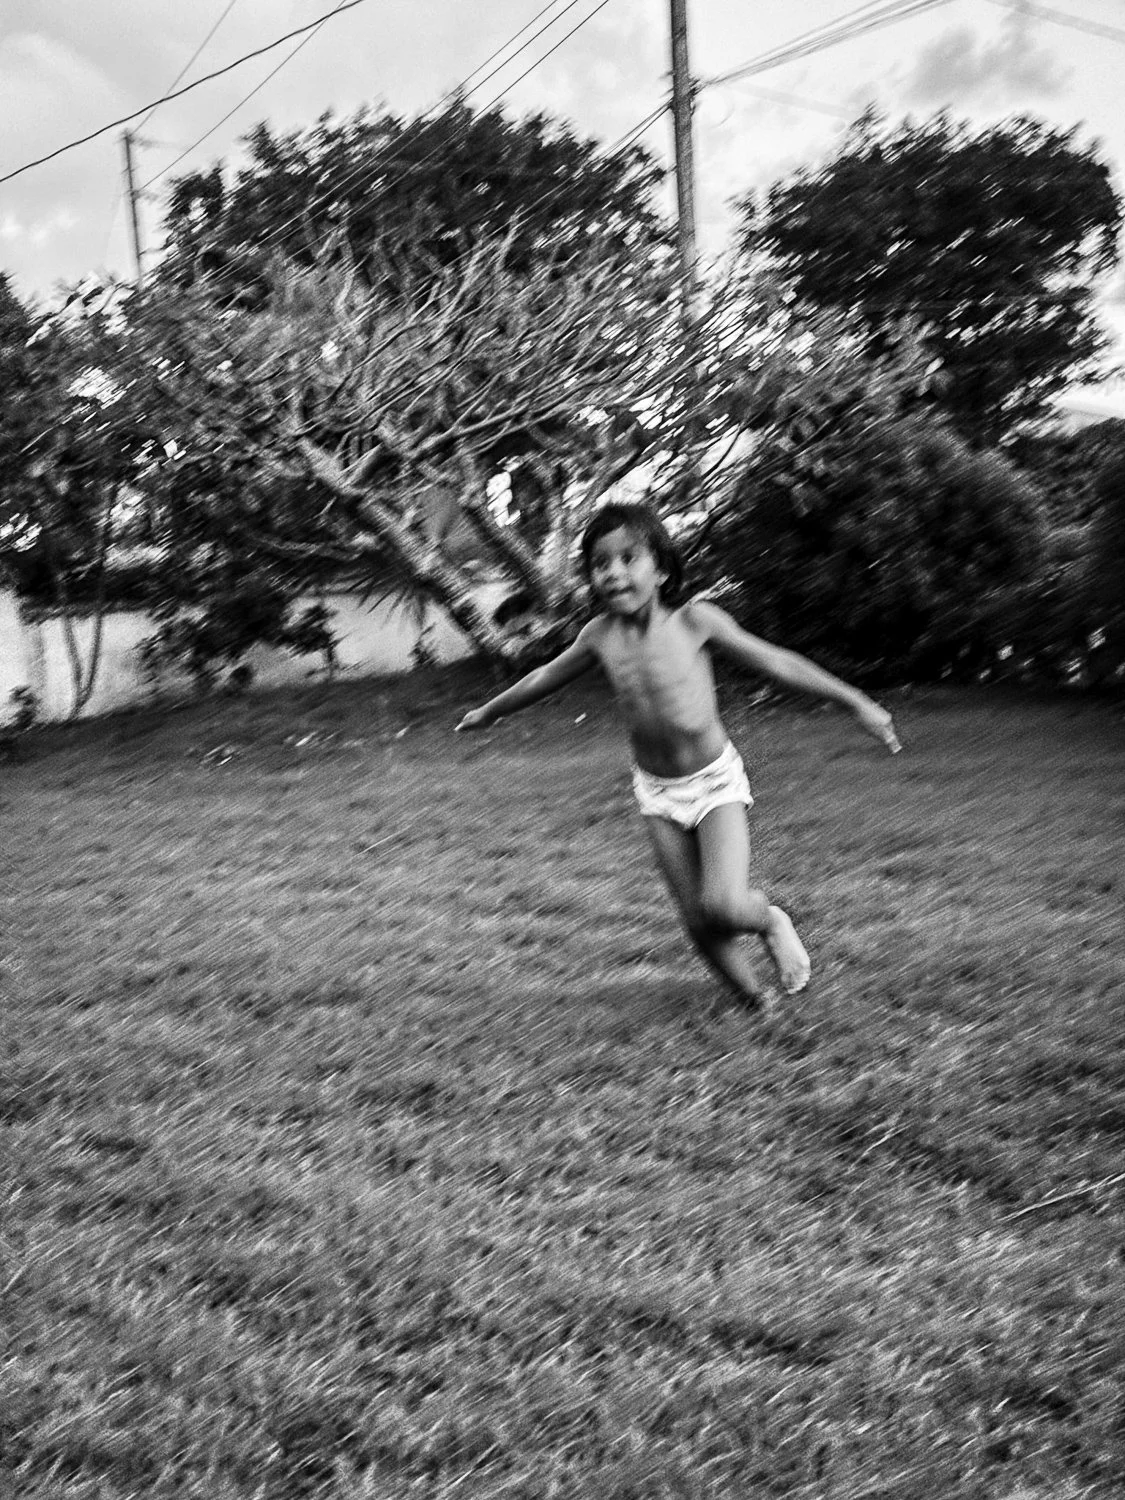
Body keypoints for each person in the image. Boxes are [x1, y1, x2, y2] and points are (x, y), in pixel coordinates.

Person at [456, 501, 901, 1008]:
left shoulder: (695, 621)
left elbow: (776, 661)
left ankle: (771, 920)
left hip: (713, 782)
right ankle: (757, 1002)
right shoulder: (599, 636)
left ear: (663, 570)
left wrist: (856, 701)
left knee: (723, 905)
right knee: (696, 919)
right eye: (600, 564)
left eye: (629, 559)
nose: (613, 573)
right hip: (658, 792)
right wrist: (490, 711)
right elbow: (545, 676)